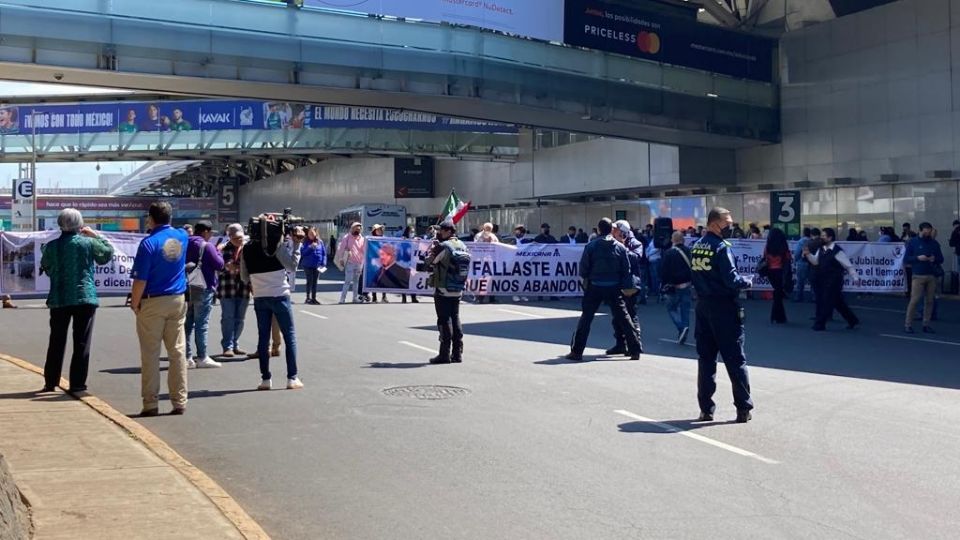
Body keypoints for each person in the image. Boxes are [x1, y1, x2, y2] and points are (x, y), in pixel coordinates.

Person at [689, 208, 754, 423]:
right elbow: (732, 280)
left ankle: (706, 409)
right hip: (724, 308)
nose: (730, 227)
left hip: (702, 307)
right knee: (736, 360)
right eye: (727, 223)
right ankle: (743, 409)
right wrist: (747, 281)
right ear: (714, 223)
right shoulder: (721, 249)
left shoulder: (696, 246)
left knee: (706, 360)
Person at [40, 208, 114, 394]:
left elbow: (47, 267)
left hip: (59, 298)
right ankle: (77, 384)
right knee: (81, 342)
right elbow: (106, 255)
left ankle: (51, 381)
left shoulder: (51, 246)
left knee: (56, 340)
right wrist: (96, 235)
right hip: (84, 297)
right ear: (80, 225)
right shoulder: (88, 243)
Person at [130, 202, 190, 416]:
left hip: (153, 301)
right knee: (177, 351)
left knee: (150, 354)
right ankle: (179, 400)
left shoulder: (148, 244)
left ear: (150, 219)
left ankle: (151, 402)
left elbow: (140, 280)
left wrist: (135, 304)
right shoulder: (182, 237)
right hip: (177, 299)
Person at [241, 216, 305, 390]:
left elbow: (243, 276)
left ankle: (265, 379)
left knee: (263, 338)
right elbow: (292, 266)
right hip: (280, 295)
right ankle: (292, 378)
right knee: (289, 336)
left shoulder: (246, 248)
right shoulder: (278, 246)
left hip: (260, 297)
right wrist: (297, 246)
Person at [566, 218, 642, 362]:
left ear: (599, 230)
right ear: (611, 230)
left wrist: (588, 279)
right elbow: (626, 269)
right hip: (614, 287)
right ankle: (635, 350)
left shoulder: (591, 246)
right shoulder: (620, 247)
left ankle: (577, 352)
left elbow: (583, 268)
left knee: (586, 319)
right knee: (624, 318)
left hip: (595, 286)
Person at [184, 221, 225, 369]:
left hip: (186, 287)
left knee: (187, 324)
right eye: (211, 232)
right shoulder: (207, 246)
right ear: (205, 232)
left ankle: (187, 357)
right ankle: (202, 357)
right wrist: (218, 250)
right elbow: (219, 264)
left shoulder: (184, 243)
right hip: (203, 287)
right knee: (201, 324)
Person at [804, 228, 860, 332]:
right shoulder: (821, 249)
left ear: (830, 238)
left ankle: (820, 324)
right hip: (823, 280)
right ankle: (852, 320)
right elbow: (815, 262)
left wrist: (855, 278)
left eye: (824, 236)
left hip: (834, 281)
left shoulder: (837, 251)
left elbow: (848, 266)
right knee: (838, 302)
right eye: (822, 235)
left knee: (825, 301)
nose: (822, 237)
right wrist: (808, 254)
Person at [426, 221, 467, 364]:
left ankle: (444, 354)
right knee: (455, 318)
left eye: (442, 231)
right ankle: (457, 354)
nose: (439, 233)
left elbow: (429, 263)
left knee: (444, 320)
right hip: (458, 287)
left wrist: (432, 251)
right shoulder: (462, 245)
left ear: (449, 231)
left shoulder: (443, 246)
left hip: (443, 288)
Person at [605, 220, 644, 356]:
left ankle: (636, 345)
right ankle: (620, 344)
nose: (613, 232)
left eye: (615, 230)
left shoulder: (635, 244)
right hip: (617, 283)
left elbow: (636, 258)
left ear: (622, 232)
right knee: (616, 316)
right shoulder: (612, 243)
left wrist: (622, 247)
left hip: (630, 285)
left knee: (631, 314)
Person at [218, 223, 253, 358]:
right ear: (230, 237)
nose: (239, 240)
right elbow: (227, 266)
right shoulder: (223, 249)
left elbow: (243, 267)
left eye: (240, 237)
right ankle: (227, 346)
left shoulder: (247, 249)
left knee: (240, 318)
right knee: (228, 318)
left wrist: (235, 266)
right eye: (236, 238)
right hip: (227, 288)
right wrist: (235, 266)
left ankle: (235, 343)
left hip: (244, 288)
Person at [903, 222, 944, 334]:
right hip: (918, 275)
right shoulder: (913, 242)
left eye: (929, 231)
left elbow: (941, 259)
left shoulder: (934, 243)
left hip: (931, 275)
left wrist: (934, 259)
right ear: (920, 230)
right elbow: (906, 259)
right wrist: (917, 258)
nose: (928, 233)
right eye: (926, 231)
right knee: (914, 300)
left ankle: (926, 324)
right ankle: (908, 324)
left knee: (929, 301)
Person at [659, 231, 693, 344]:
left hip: (674, 285)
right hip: (687, 284)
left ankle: (681, 327)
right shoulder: (689, 251)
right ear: (683, 240)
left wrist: (664, 284)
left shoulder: (669, 253)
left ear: (673, 240)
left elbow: (664, 271)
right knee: (685, 310)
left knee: (671, 308)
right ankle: (684, 328)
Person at [764, 227, 792, 324]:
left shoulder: (768, 246)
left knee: (777, 292)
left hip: (771, 272)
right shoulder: (783, 246)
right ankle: (778, 316)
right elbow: (788, 258)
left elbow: (765, 257)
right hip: (781, 271)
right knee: (778, 293)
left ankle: (777, 316)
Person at [336, 222, 365, 304]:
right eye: (356, 228)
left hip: (359, 263)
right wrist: (341, 258)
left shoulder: (362, 239)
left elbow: (363, 251)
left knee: (356, 282)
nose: (357, 230)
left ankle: (355, 298)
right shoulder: (347, 237)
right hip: (350, 262)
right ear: (352, 228)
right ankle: (342, 299)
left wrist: (363, 262)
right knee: (347, 281)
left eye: (359, 229)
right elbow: (341, 248)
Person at [299, 227, 326, 305]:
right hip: (307, 265)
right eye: (309, 233)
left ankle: (313, 298)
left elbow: (323, 253)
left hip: (317, 265)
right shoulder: (305, 242)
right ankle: (308, 297)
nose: (311, 235)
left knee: (315, 282)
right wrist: (310, 248)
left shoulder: (320, 242)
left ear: (315, 233)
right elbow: (303, 253)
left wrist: (323, 262)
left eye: (312, 233)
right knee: (309, 280)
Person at [367, 224, 387, 303]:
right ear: (374, 231)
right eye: (378, 229)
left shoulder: (385, 239)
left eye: (381, 229)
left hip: (383, 261)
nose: (380, 231)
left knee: (384, 279)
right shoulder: (371, 239)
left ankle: (384, 296)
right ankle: (374, 296)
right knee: (374, 279)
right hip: (374, 262)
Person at [512, 225, 531, 302]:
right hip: (514, 262)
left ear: (523, 233)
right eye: (516, 232)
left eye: (518, 232)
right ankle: (515, 294)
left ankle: (523, 294)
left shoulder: (526, 242)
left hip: (524, 263)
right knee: (515, 279)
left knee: (523, 279)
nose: (517, 233)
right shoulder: (513, 241)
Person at [401, 226, 420, 304]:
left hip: (413, 263)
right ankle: (404, 297)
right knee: (404, 280)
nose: (412, 233)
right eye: (411, 231)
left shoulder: (415, 239)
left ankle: (413, 297)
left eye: (413, 231)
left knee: (413, 280)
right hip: (405, 263)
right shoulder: (403, 239)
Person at [793, 228, 812, 302]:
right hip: (811, 262)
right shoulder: (812, 241)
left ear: (803, 233)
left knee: (800, 281)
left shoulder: (801, 241)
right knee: (812, 281)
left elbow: (797, 252)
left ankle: (799, 297)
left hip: (802, 262)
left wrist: (796, 260)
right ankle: (814, 297)